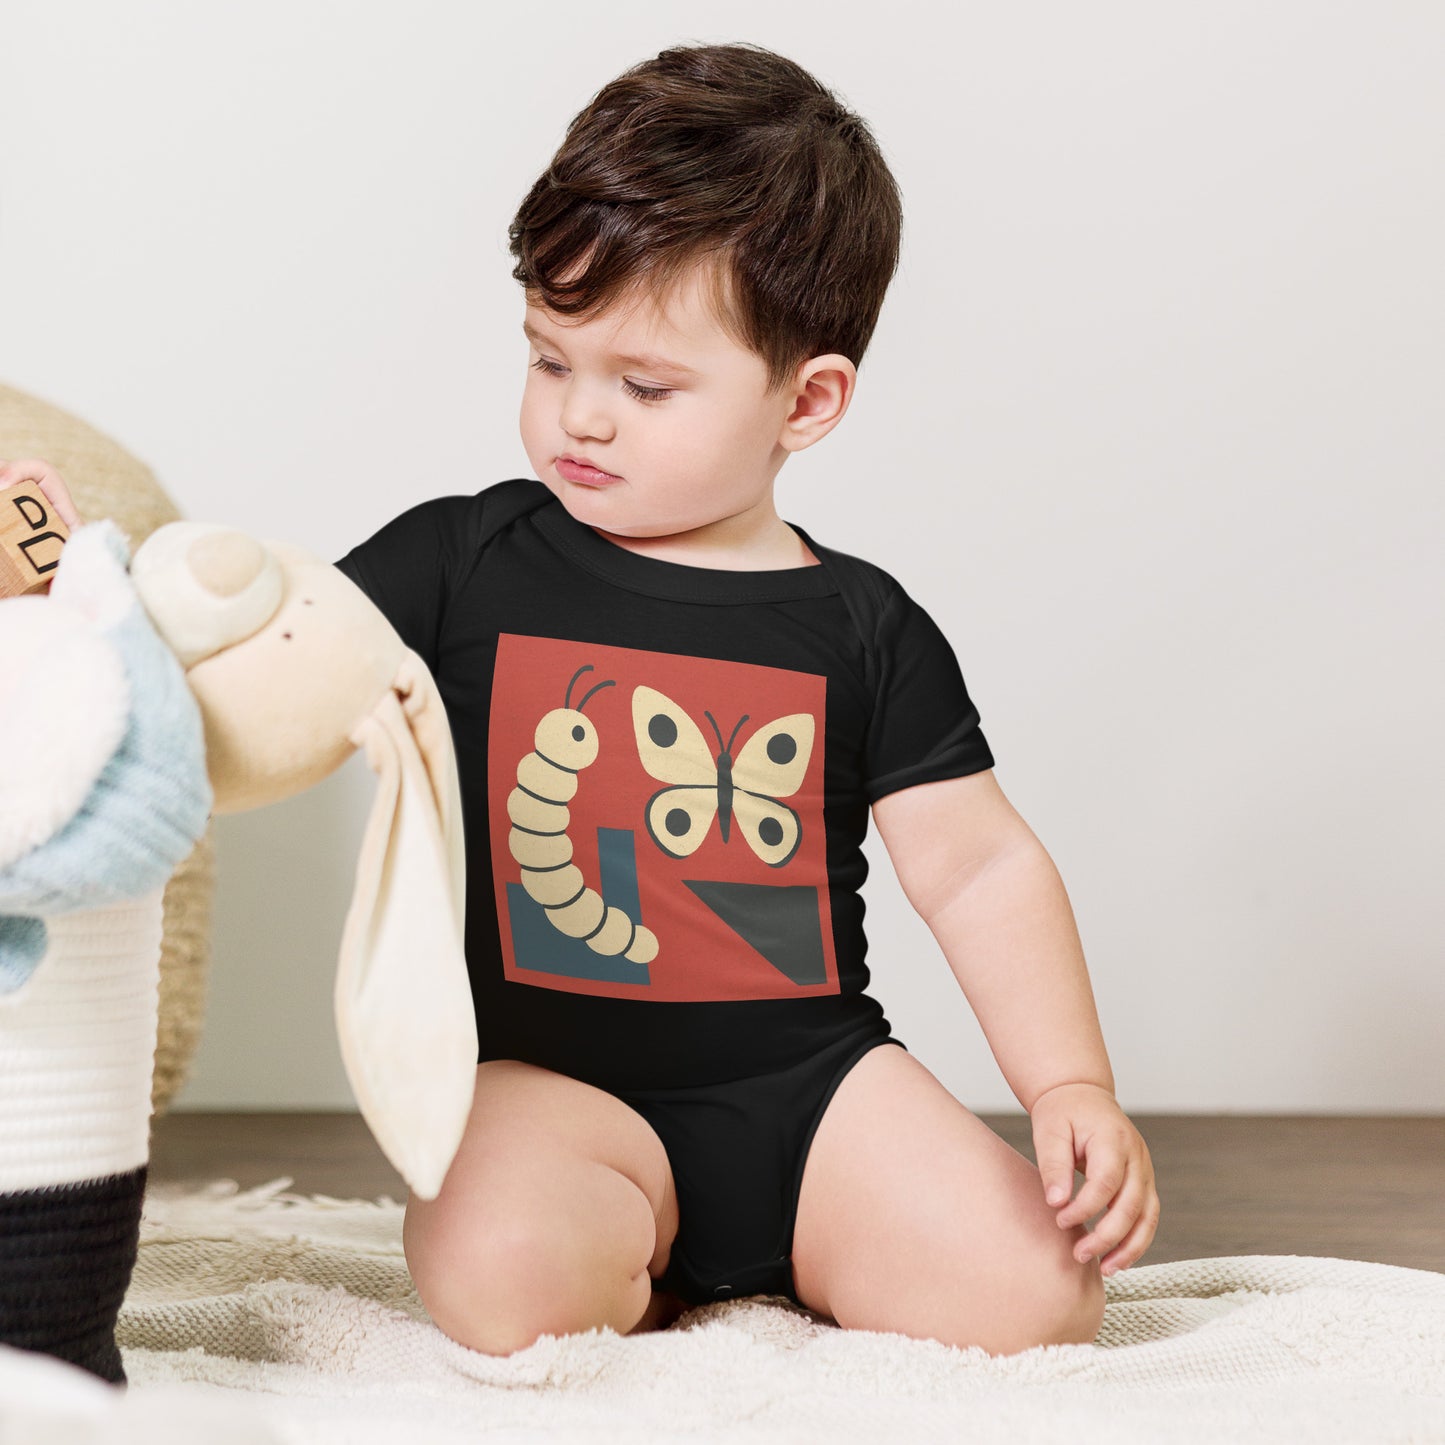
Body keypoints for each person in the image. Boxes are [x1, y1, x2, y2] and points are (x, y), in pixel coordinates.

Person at [4, 40, 1159, 1359]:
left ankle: (778, 1255)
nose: (580, 419)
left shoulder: (863, 626)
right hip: (550, 1091)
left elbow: (978, 869)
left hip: (810, 1092)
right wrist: (88, 617)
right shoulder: (464, 560)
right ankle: (635, 1264)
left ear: (808, 400)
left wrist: (1067, 1082)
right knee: (499, 1275)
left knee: (1039, 1298)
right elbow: (277, 661)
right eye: (551, 361)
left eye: (645, 385)